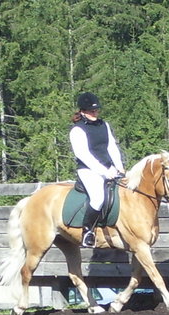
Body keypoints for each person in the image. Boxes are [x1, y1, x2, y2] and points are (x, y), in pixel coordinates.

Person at [69, 92, 125, 247]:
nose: (95, 113)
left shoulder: (104, 125)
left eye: (96, 111)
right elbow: (83, 155)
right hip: (88, 170)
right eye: (91, 111)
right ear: (82, 111)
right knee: (98, 198)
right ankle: (87, 231)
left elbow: (111, 147)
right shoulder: (77, 130)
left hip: (109, 167)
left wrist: (119, 166)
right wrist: (104, 171)